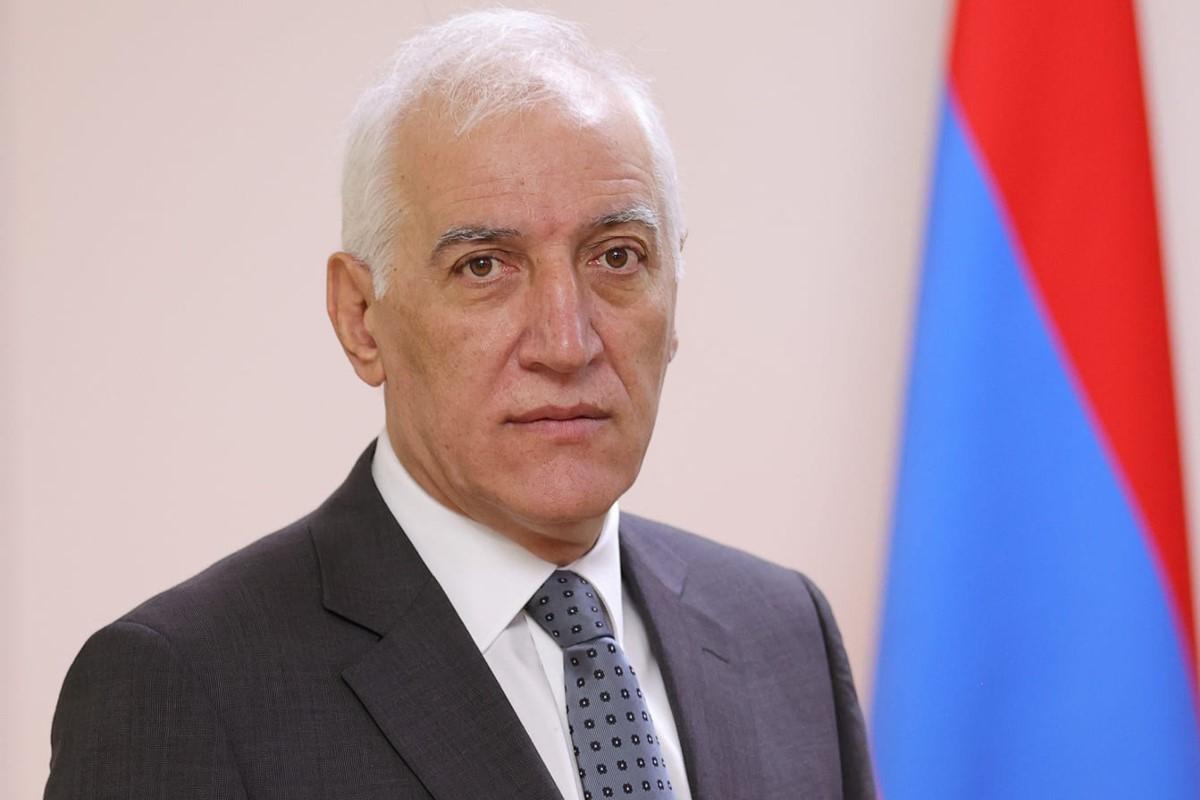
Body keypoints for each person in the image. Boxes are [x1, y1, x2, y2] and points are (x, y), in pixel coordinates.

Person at [45, 10, 874, 799]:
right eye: (484, 266)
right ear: (360, 318)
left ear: (675, 291)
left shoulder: (783, 632)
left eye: (618, 256)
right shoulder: (185, 686)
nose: (567, 343)